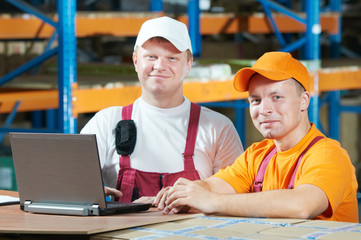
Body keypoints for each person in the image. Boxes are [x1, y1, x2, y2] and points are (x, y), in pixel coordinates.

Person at [155, 51, 359, 223]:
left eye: (277, 97)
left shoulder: (328, 155)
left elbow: (302, 205)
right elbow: (213, 186)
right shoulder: (258, 156)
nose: (264, 110)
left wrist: (212, 202)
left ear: (303, 101)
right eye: (256, 100)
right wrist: (181, 194)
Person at [80, 16, 243, 203]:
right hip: (119, 233)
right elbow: (70, 182)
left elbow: (235, 196)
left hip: (193, 232)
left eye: (172, 58)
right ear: (135, 60)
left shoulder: (218, 128)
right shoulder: (106, 122)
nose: (159, 66)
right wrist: (91, 195)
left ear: (188, 64)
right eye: (151, 57)